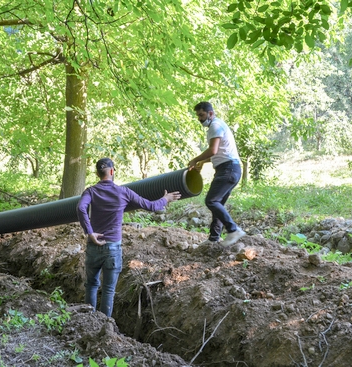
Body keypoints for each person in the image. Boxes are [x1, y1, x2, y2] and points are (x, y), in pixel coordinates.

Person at [76, 158, 181, 318]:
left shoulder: (90, 192)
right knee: (108, 290)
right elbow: (151, 206)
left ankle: (89, 320)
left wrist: (90, 232)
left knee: (91, 285)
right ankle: (104, 327)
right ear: (112, 171)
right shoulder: (123, 192)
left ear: (98, 173)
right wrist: (166, 199)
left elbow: (80, 207)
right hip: (112, 249)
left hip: (93, 246)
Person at [188, 101, 246, 246]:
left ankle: (233, 230)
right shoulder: (217, 125)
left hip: (228, 169)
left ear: (211, 113)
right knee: (217, 203)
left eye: (201, 115)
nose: (200, 119)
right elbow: (219, 153)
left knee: (211, 201)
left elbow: (213, 150)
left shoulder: (215, 125)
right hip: (229, 168)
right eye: (198, 116)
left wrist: (195, 160)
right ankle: (214, 238)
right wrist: (203, 162)